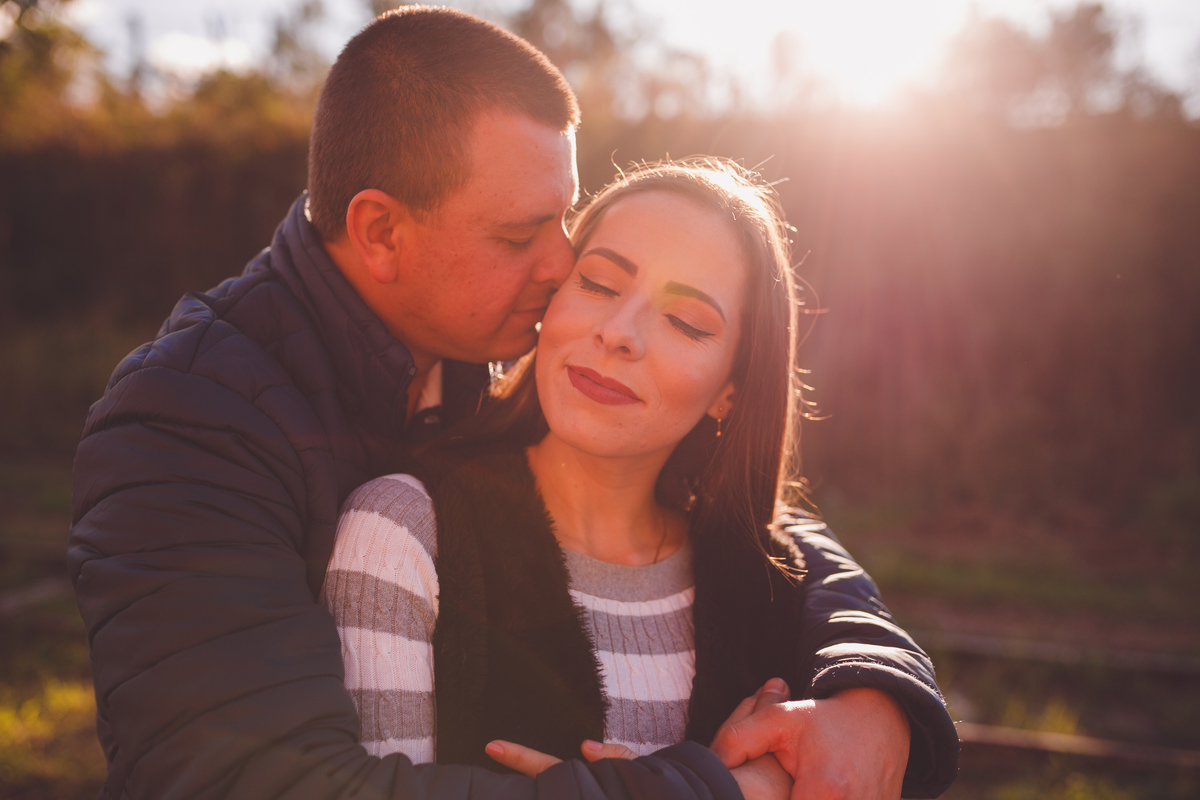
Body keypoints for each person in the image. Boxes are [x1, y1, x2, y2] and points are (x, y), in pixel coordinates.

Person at [68, 7, 957, 800]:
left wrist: (875, 689)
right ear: (381, 232)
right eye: (517, 234)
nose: (562, 265)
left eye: (564, 221)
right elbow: (246, 779)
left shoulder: (475, 347)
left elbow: (760, 525)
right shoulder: (189, 421)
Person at [323, 160, 958, 800]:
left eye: (687, 322)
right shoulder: (402, 533)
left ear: (729, 393)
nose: (619, 333)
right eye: (598, 283)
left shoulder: (772, 584)